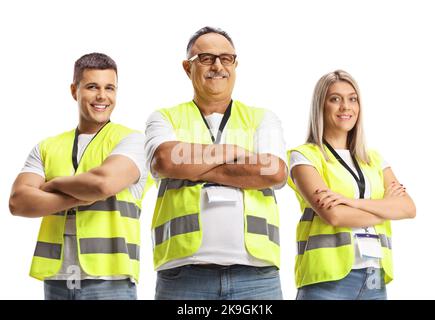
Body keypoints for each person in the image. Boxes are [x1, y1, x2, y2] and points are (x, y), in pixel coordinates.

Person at [145, 26, 287, 300]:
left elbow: (273, 170)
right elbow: (164, 159)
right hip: (183, 275)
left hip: (256, 275)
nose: (218, 66)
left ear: (235, 64)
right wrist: (234, 151)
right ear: (188, 68)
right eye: (207, 58)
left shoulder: (261, 118)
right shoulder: (164, 118)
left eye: (227, 58)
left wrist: (193, 166)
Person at [9, 53, 151, 300]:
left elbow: (103, 184)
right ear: (75, 90)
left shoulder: (134, 141)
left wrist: (50, 186)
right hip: (57, 281)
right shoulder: (47, 146)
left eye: (110, 88)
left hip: (111, 283)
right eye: (92, 87)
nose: (102, 96)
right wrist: (79, 197)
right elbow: (18, 202)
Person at [287, 70, 416, 300]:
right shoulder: (304, 157)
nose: (346, 106)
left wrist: (350, 202)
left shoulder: (373, 159)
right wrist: (386, 208)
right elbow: (335, 216)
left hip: (374, 278)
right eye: (335, 99)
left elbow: (408, 208)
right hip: (326, 282)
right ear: (321, 106)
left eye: (352, 99)